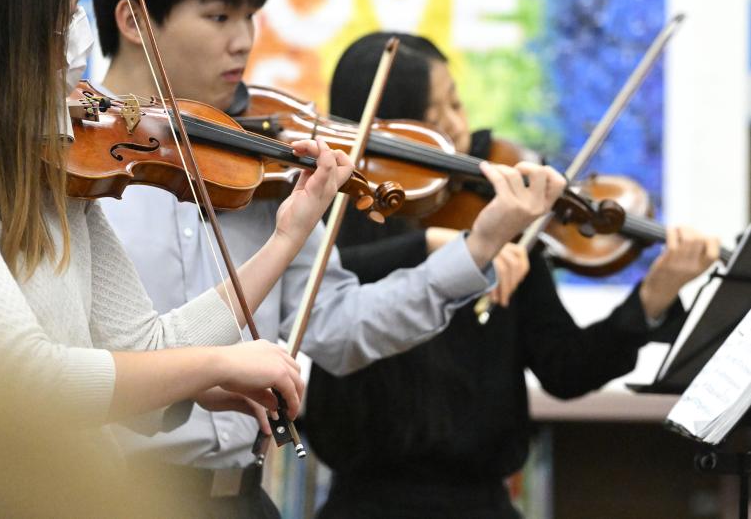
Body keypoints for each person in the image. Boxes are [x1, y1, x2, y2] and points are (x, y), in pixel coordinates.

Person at [87, 0, 566, 517]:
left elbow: (341, 330)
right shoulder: (74, 170)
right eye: (220, 17)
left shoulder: (262, 166)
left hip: (242, 499)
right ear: (135, 21)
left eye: (252, 17)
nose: (245, 42)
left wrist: (478, 246)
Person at [0, 0, 360, 466]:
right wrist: (217, 364)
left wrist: (286, 236)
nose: (80, 38)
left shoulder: (53, 177)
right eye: (66, 16)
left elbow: (145, 345)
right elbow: (25, 381)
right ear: (2, 34)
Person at [303, 31, 722, 519]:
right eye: (437, 116)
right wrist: (435, 245)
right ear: (390, 129)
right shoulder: (330, 221)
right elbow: (309, 291)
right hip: (363, 506)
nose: (462, 129)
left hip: (483, 504)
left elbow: (565, 369)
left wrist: (650, 299)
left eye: (457, 104)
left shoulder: (497, 217)